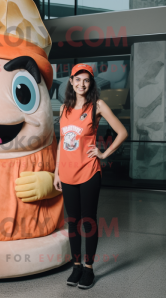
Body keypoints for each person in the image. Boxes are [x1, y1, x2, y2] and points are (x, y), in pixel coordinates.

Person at [53, 63, 128, 289]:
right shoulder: (63, 108)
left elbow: (122, 132)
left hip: (88, 171)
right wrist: (57, 172)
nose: (81, 84)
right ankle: (76, 266)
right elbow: (60, 145)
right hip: (66, 174)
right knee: (72, 222)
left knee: (88, 221)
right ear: (71, 82)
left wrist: (103, 153)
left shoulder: (98, 105)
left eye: (86, 80)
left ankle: (88, 268)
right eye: (77, 79)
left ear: (91, 82)